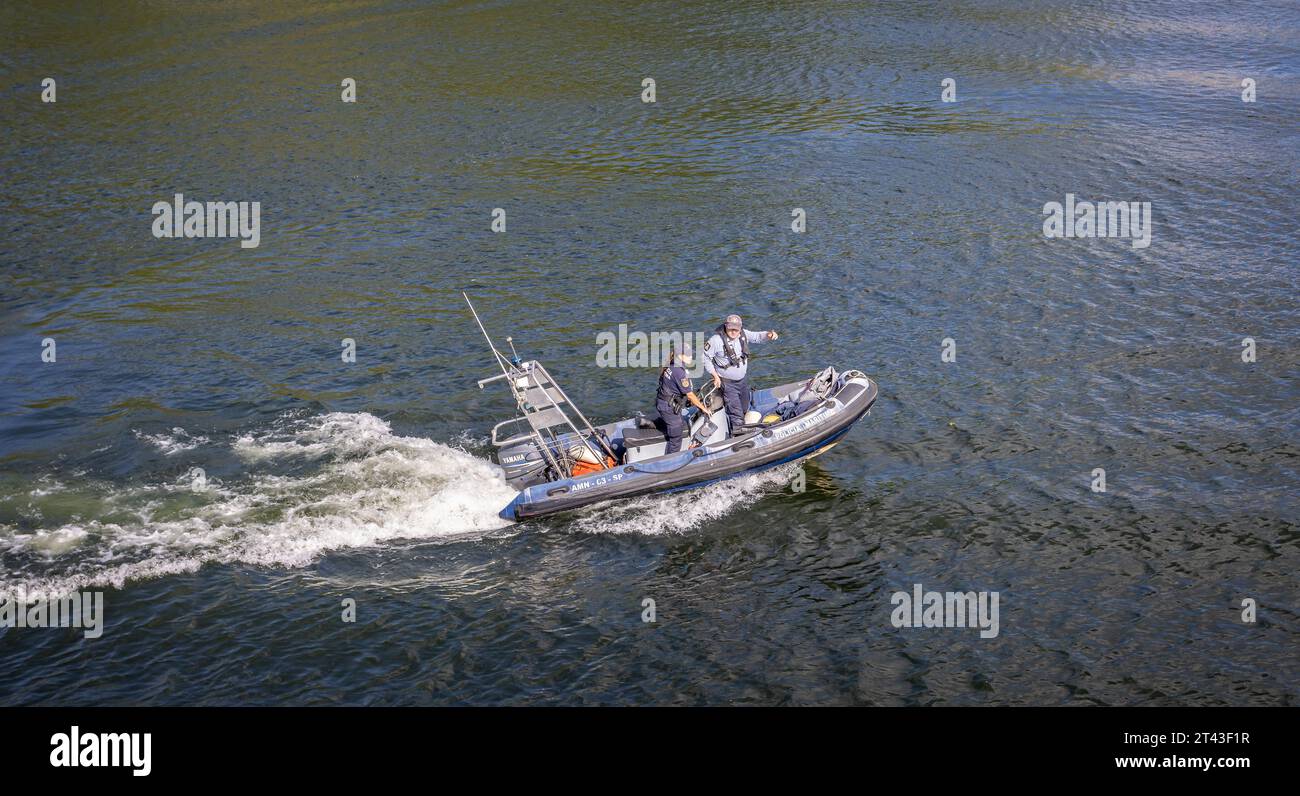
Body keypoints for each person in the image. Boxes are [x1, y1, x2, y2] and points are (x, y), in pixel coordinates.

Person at [702, 314, 779, 436]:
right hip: (727, 383)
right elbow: (705, 358)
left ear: (740, 328)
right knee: (736, 412)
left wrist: (768, 335)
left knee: (744, 406)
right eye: (730, 328)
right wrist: (715, 376)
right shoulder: (715, 341)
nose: (733, 332)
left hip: (742, 381)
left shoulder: (743, 334)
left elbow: (757, 337)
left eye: (736, 329)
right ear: (726, 326)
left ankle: (740, 423)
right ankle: (738, 434)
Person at [655, 343, 710, 454]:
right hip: (668, 407)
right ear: (680, 355)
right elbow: (689, 394)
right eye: (689, 355)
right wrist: (703, 408)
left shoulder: (672, 364)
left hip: (665, 403)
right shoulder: (679, 372)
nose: (691, 357)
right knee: (676, 438)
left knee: (677, 423)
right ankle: (670, 463)